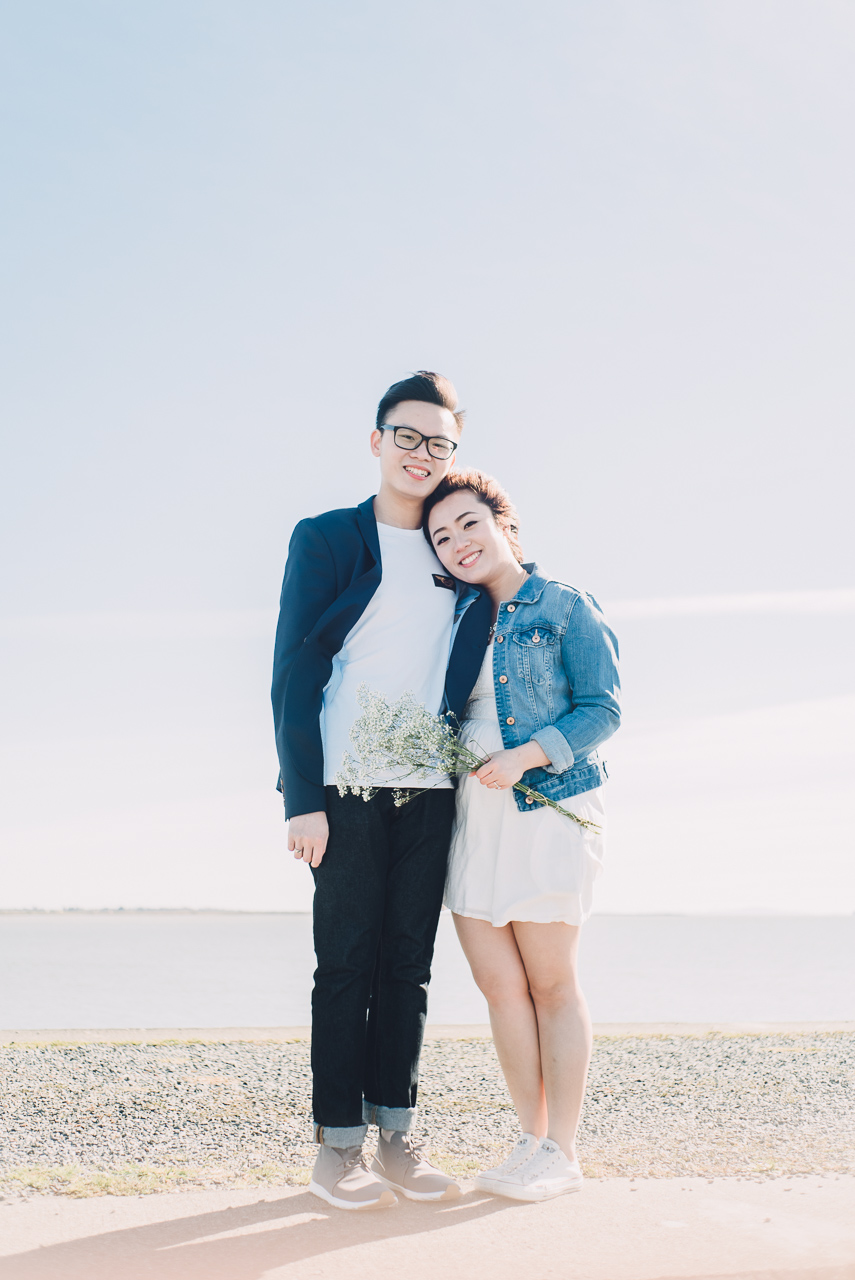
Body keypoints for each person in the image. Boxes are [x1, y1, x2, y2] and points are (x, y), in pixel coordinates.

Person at [271, 374, 491, 1210]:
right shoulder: (328, 538)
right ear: (376, 440)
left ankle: (396, 1137)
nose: (422, 455)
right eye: (408, 437)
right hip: (345, 786)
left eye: (439, 443)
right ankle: (337, 1150)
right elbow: (294, 673)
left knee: (408, 966)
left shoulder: (454, 549)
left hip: (429, 789)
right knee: (345, 965)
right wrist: (300, 798)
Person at [422, 469, 620, 1202]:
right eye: (441, 537)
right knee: (499, 988)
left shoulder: (565, 605)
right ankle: (529, 1139)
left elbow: (602, 709)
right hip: (473, 821)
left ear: (503, 523)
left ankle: (560, 1151)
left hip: (545, 812)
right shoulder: (455, 620)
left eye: (468, 523)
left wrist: (525, 757)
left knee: (550, 984)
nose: (457, 543)